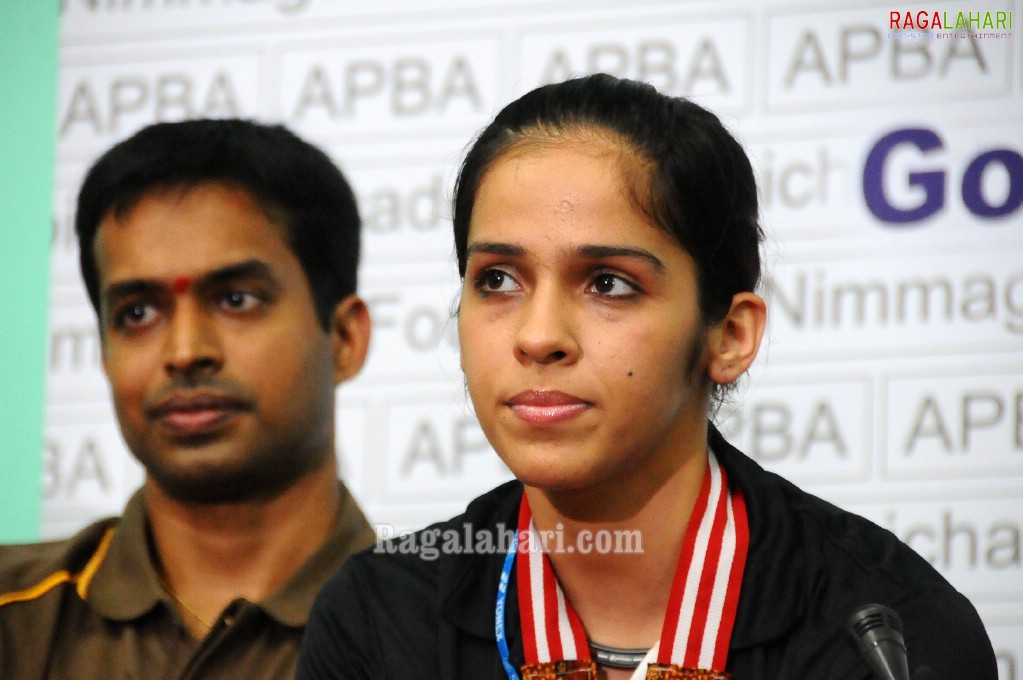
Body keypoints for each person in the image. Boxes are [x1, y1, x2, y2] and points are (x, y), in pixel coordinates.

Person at [295, 74, 997, 679]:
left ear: (728, 335)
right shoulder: (380, 620)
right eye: (498, 279)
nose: (538, 336)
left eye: (607, 283)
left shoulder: (882, 632)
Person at [0, 118, 376, 680]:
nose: (184, 352)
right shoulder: (14, 621)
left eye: (236, 298)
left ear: (344, 339)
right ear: (103, 353)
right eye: (138, 313)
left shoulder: (445, 633)